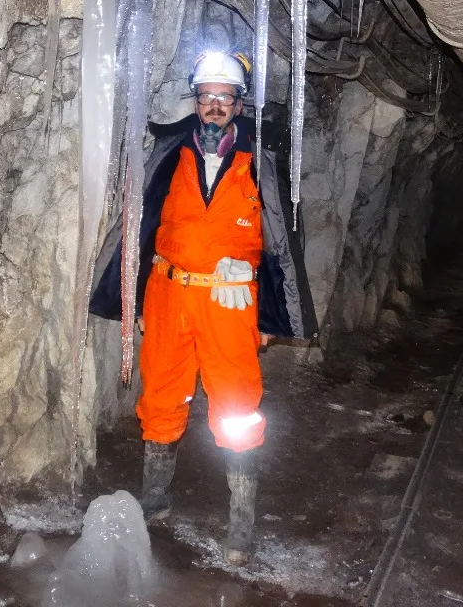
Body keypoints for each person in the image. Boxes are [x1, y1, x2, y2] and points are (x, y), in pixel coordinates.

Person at [90, 50, 316, 566]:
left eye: (224, 97)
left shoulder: (260, 163)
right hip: (169, 293)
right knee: (162, 392)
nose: (214, 105)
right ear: (196, 101)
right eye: (206, 96)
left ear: (239, 105)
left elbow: (281, 237)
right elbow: (141, 228)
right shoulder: (170, 153)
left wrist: (265, 307)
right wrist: (134, 297)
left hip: (229, 301)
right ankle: (155, 495)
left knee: (237, 405)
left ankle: (240, 521)